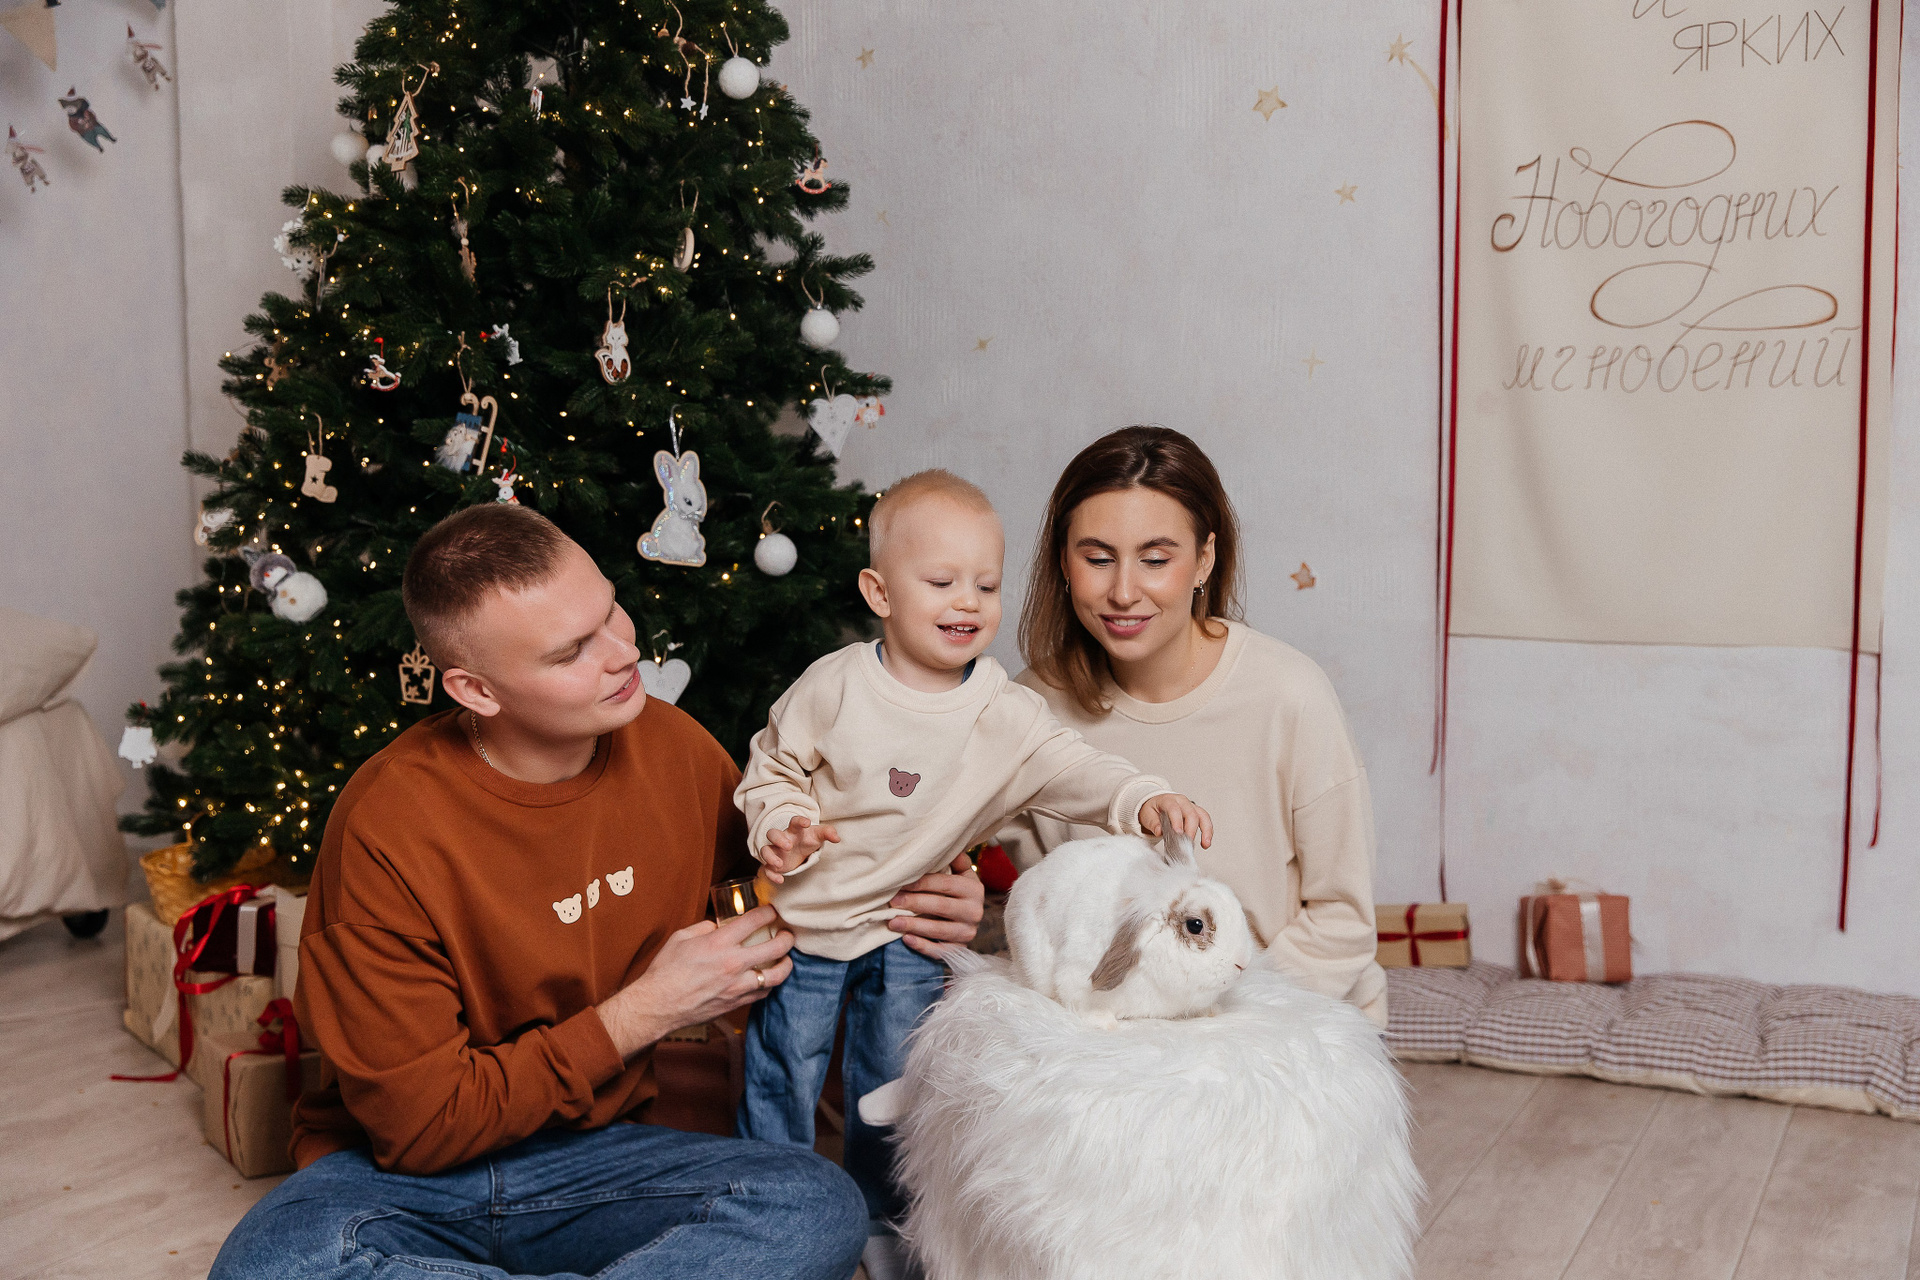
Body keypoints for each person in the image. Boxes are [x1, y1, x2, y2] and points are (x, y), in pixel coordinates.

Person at [209, 503, 986, 1280]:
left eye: (611, 611)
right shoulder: (386, 827)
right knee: (274, 1265)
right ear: (477, 690)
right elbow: (422, 1126)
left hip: (606, 1159)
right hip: (407, 1180)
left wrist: (921, 901)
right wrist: (646, 1009)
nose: (624, 653)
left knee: (815, 1205)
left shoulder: (676, 750)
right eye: (572, 651)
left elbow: (779, 912)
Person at [734, 469, 1212, 1272]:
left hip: (905, 928)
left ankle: (887, 1222)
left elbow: (1074, 767)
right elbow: (773, 768)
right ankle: (767, 1208)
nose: (968, 602)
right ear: (880, 593)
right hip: (812, 921)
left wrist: (1144, 797)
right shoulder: (835, 686)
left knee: (893, 1082)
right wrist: (780, 825)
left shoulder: (1003, 710)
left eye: (986, 586)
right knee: (783, 1070)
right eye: (942, 583)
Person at [999, 426, 1387, 1026]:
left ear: (1205, 559)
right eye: (1097, 559)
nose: (1123, 591)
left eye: (1156, 560)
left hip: (1285, 1018)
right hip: (1110, 1026)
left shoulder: (1290, 695)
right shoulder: (1028, 708)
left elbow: (1343, 920)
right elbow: (1026, 898)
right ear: (1063, 562)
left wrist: (1205, 1025)